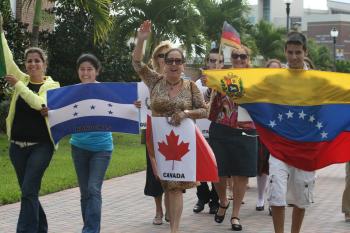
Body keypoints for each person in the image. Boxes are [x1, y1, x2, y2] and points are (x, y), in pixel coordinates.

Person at [132, 20, 208, 233]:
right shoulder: (154, 81)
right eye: (169, 60)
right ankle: (167, 217)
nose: (173, 64)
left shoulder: (191, 86)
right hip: (157, 141)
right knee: (165, 184)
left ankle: (175, 229)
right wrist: (141, 40)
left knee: (175, 188)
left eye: (178, 61)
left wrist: (186, 113)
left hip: (182, 142)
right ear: (163, 63)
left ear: (183, 64)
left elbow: (204, 111)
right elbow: (137, 63)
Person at [2, 30, 60, 232]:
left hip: (41, 147)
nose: (33, 64)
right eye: (29, 61)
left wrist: (18, 86)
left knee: (28, 190)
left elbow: (39, 103)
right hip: (16, 147)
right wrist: (1, 33)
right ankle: (41, 227)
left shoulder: (53, 86)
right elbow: (8, 60)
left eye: (37, 60)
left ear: (44, 64)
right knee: (29, 192)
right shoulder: (23, 80)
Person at [267, 32, 316, 233]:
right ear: (285, 52)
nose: (294, 57)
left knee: (301, 197)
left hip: (306, 147)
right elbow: (248, 89)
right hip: (279, 145)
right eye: (290, 52)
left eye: (298, 52)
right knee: (277, 195)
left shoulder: (316, 80)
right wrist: (218, 80)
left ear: (305, 52)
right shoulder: (275, 79)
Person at [206, 45, 257, 231]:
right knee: (216, 171)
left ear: (248, 58)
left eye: (243, 56)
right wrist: (211, 85)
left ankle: (235, 215)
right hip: (221, 127)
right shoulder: (222, 75)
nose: (239, 59)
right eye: (235, 56)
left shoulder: (256, 78)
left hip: (246, 129)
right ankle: (222, 200)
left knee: (240, 173)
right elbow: (207, 101)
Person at [70, 54, 113, 233]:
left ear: (97, 71)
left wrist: (135, 106)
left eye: (90, 69)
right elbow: (60, 112)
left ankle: (90, 231)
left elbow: (122, 108)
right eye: (82, 69)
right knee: (84, 193)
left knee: (93, 188)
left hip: (101, 148)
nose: (86, 72)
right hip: (78, 147)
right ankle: (89, 227)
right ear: (78, 71)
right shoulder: (71, 92)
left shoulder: (106, 91)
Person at [136, 41, 172, 225]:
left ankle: (170, 207)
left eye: (168, 56)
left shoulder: (180, 81)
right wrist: (137, 105)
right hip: (151, 128)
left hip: (173, 131)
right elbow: (136, 63)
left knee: (172, 170)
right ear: (155, 59)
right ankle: (158, 210)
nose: (164, 60)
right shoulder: (148, 79)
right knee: (154, 172)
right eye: (161, 55)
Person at [192, 48, 221, 215]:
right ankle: (202, 197)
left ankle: (215, 201)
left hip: (218, 132)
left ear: (222, 64)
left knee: (218, 169)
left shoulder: (226, 84)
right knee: (200, 168)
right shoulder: (197, 84)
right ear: (207, 62)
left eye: (218, 61)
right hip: (200, 132)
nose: (214, 63)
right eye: (211, 60)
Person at [255, 59, 282, 214]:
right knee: (262, 167)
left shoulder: (285, 90)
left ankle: (273, 200)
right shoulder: (261, 88)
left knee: (275, 168)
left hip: (279, 134)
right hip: (263, 132)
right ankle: (260, 198)